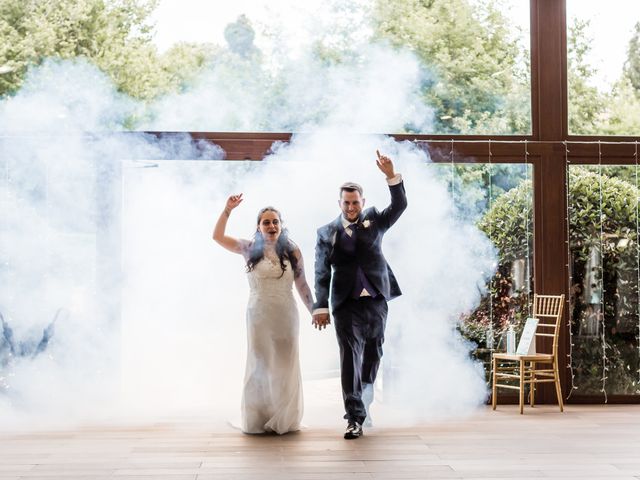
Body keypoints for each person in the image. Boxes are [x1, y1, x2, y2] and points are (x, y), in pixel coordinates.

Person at [312, 151, 407, 439]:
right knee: (349, 357)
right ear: (339, 203)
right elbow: (321, 272)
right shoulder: (326, 232)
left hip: (376, 300)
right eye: (346, 202)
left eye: (355, 202)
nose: (351, 207)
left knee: (373, 354)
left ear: (362, 203)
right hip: (344, 305)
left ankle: (364, 404)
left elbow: (400, 204)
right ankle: (354, 417)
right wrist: (320, 306)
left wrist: (391, 175)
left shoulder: (375, 219)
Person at [213, 194, 314, 434]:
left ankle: (285, 418)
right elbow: (217, 237)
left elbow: (302, 284)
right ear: (259, 227)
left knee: (285, 363)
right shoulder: (248, 248)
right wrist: (228, 209)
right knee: (260, 363)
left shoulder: (292, 250)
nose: (271, 226)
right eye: (266, 222)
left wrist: (315, 311)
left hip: (287, 313)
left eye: (275, 221)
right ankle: (258, 418)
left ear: (281, 225)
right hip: (258, 314)